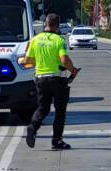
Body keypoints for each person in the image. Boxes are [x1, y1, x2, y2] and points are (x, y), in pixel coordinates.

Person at [24, 13, 79, 150]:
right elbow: (64, 60)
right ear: (58, 25)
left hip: (40, 78)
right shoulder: (59, 40)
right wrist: (73, 70)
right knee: (60, 111)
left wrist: (41, 60)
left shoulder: (35, 40)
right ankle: (57, 140)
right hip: (57, 79)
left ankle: (33, 126)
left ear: (45, 24)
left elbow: (27, 61)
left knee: (43, 107)